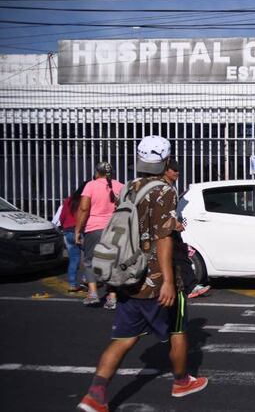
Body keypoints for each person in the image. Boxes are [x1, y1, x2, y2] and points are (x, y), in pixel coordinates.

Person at [76, 135, 208, 412]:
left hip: (127, 274)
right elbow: (162, 237)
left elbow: (137, 223)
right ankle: (182, 381)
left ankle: (95, 395)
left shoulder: (130, 187)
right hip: (156, 280)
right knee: (178, 329)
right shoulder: (165, 190)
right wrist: (169, 282)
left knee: (123, 338)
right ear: (166, 159)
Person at [74, 162, 124, 308]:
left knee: (90, 261)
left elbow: (84, 209)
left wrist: (78, 230)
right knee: (112, 263)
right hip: (115, 229)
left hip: (94, 229)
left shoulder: (90, 185)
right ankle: (112, 296)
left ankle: (93, 293)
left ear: (97, 172)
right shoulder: (120, 186)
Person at [163, 158, 210, 299]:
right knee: (178, 256)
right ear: (166, 171)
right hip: (165, 230)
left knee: (180, 256)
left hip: (172, 229)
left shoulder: (172, 186)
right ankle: (189, 286)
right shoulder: (163, 187)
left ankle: (189, 286)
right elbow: (162, 211)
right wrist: (174, 223)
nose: (177, 172)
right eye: (174, 170)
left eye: (178, 170)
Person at [55, 180, 90, 292]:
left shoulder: (69, 200)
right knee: (89, 258)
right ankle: (86, 279)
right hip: (81, 231)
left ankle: (72, 284)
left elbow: (62, 217)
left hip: (67, 231)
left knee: (73, 259)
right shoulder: (86, 200)